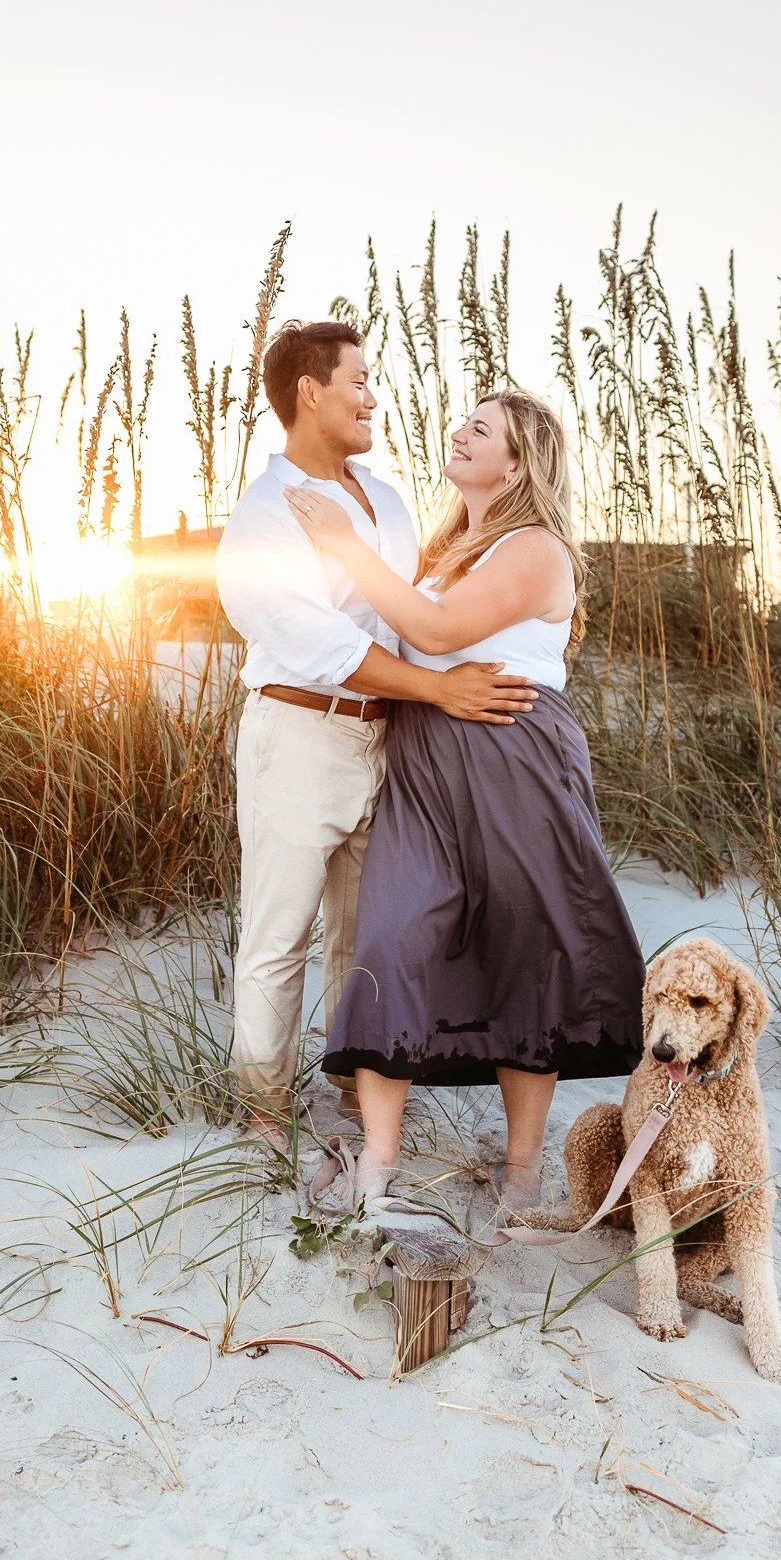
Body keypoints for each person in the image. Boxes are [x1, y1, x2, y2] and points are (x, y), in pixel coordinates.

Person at [284, 388, 646, 1209]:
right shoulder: (446, 545)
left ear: (517, 463)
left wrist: (346, 546)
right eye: (464, 421)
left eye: (480, 430)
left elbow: (440, 634)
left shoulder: (535, 548)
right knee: (393, 935)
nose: (459, 432)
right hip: (424, 758)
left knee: (530, 948)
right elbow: (409, 636)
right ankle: (378, 1157)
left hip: (514, 757)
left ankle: (520, 1170)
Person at [215, 322, 537, 1140]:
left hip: (388, 740)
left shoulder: (385, 502)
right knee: (278, 936)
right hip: (299, 735)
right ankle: (263, 1114)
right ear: (308, 392)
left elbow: (415, 613)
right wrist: (438, 689)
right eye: (358, 381)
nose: (372, 397)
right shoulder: (264, 516)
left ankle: (362, 1094)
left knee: (369, 936)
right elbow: (320, 643)